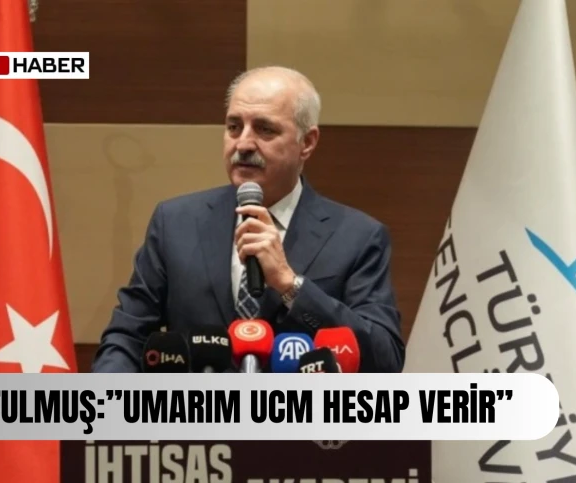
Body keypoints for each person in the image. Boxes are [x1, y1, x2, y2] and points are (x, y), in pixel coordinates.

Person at [92, 66, 404, 373]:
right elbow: (127, 337)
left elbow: (384, 358)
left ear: (307, 142)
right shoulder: (175, 222)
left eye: (265, 129)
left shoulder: (357, 237)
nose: (242, 144)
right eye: (234, 127)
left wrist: (291, 286)